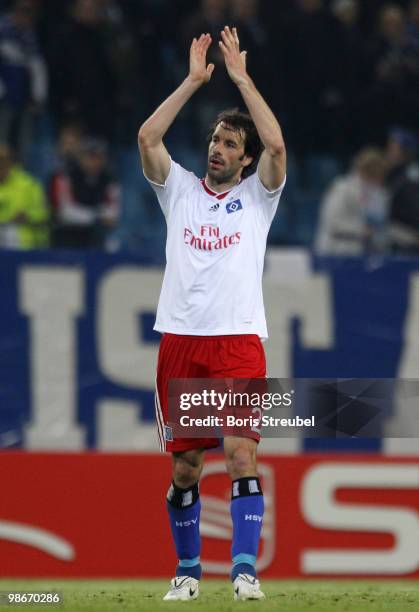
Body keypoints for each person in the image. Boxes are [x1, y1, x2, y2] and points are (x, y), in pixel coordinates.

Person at [138, 27, 286, 601]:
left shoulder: (258, 199)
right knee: (186, 470)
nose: (217, 149)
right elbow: (149, 136)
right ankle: (188, 573)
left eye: (229, 144)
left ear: (245, 162)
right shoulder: (177, 190)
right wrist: (193, 82)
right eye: (215, 140)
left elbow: (278, 148)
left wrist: (242, 79)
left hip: (239, 342)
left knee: (241, 451)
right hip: (181, 343)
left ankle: (245, 570)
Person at [315, 147, 389, 255]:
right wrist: (363, 231)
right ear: (364, 171)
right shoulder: (342, 188)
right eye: (375, 175)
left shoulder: (378, 194)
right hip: (334, 252)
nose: (379, 181)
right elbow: (333, 223)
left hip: (359, 254)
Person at [51, 137, 120, 249]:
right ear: (81, 157)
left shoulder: (109, 179)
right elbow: (65, 212)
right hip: (67, 236)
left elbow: (113, 214)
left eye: (99, 157)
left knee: (113, 242)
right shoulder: (66, 175)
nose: (95, 162)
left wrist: (94, 217)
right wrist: (96, 216)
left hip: (95, 237)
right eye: (91, 156)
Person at [0, 143, 48, 249]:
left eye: (3, 161)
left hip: (23, 243)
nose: (1, 165)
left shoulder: (29, 184)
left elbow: (43, 212)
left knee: (11, 232)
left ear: (10, 162)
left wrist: (27, 215)